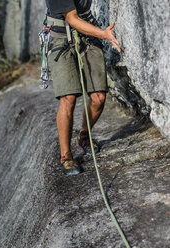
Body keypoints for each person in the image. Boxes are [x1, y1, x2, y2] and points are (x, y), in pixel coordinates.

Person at [44, 0, 123, 175]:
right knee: (68, 99)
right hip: (60, 38)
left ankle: (84, 135)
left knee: (99, 98)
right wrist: (104, 34)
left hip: (88, 32)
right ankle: (66, 155)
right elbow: (72, 18)